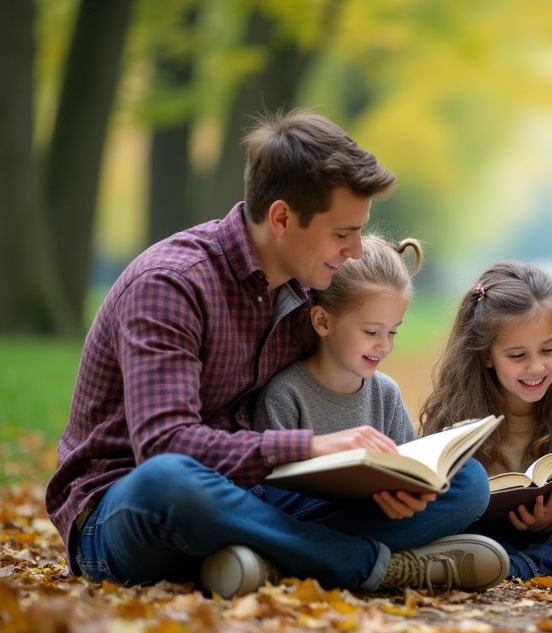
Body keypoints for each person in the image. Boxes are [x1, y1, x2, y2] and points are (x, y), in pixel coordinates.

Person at [46, 111, 503, 598]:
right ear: (282, 218)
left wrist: (385, 478)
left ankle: (262, 559)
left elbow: (350, 351)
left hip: (255, 499)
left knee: (465, 483)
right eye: (341, 233)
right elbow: (165, 444)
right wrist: (308, 447)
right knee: (170, 480)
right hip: (128, 510)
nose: (353, 251)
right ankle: (363, 563)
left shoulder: (309, 294)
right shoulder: (171, 285)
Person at [252, 235, 507, 594]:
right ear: (322, 322)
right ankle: (384, 558)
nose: (384, 345)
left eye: (393, 332)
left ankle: (297, 560)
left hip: (370, 516)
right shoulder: (286, 392)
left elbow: (409, 465)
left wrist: (411, 491)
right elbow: (270, 489)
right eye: (371, 332)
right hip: (305, 517)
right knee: (263, 508)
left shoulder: (385, 393)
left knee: (471, 481)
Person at [419, 262, 552, 580]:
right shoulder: (452, 414)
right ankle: (546, 563)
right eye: (518, 356)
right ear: (486, 356)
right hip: (483, 533)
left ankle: (524, 565)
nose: (536, 367)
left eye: (548, 349)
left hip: (551, 534)